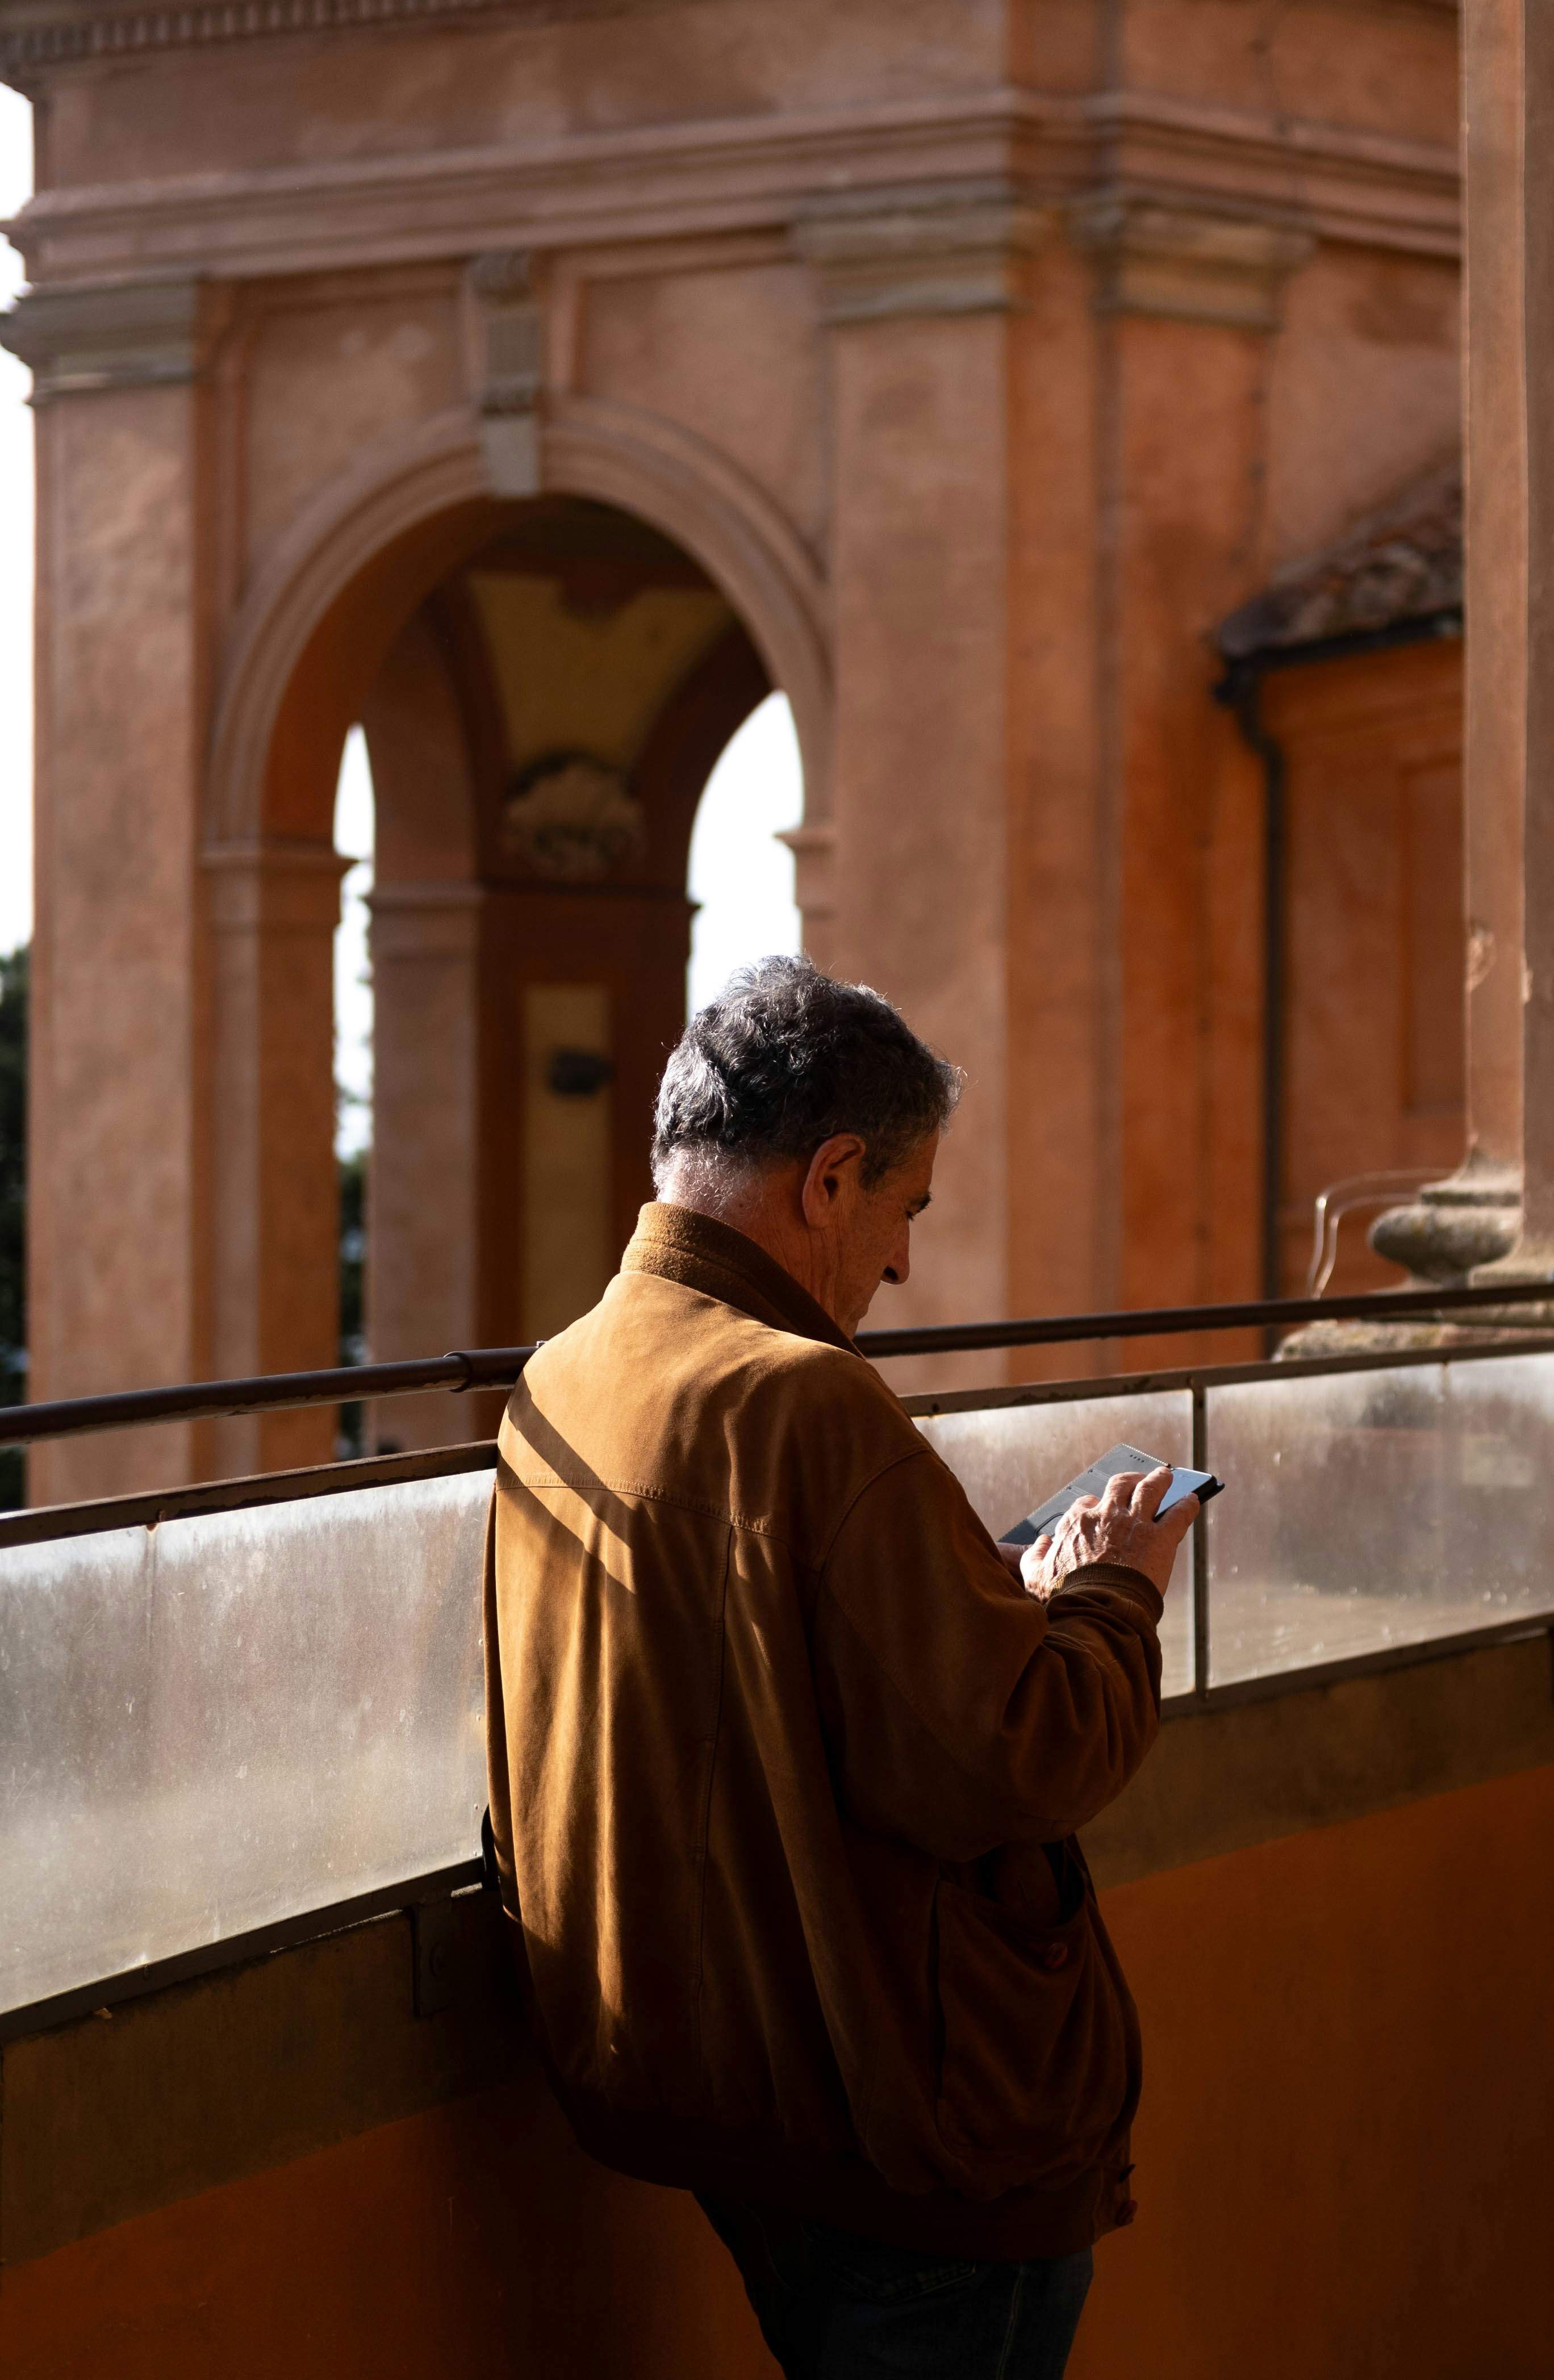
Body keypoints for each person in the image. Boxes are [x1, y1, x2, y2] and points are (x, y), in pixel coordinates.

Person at [483, 953, 1199, 2380]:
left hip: (719, 2105)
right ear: (829, 1179)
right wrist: (1111, 1590)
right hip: (908, 2141)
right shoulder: (807, 1401)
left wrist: (988, 1602)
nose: (901, 1265)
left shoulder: (559, 1377)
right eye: (904, 1208)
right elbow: (1029, 1756)